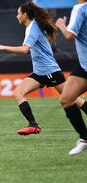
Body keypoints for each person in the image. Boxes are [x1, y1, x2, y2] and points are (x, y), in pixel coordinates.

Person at [0, 1, 87, 135]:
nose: (16, 16)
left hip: (50, 72)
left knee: (73, 100)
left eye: (18, 13)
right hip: (40, 72)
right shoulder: (31, 26)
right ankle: (33, 125)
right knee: (18, 93)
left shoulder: (33, 27)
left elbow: (25, 50)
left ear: (25, 15)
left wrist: (3, 47)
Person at [56, 0, 87, 155]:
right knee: (67, 99)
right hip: (84, 65)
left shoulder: (80, 8)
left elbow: (69, 35)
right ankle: (85, 137)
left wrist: (61, 24)